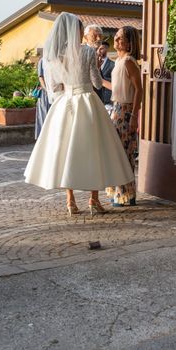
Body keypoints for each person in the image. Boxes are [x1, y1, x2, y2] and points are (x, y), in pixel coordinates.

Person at [24, 13, 134, 215]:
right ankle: (93, 200)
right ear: (77, 32)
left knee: (67, 151)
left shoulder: (56, 55)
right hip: (87, 101)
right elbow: (97, 82)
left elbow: (54, 85)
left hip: (65, 102)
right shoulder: (87, 52)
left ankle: (70, 201)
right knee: (96, 149)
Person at [104, 26, 143, 206]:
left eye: (121, 39)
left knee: (124, 152)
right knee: (117, 152)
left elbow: (139, 90)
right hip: (117, 108)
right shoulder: (118, 61)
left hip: (126, 111)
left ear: (130, 43)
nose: (117, 41)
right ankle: (120, 192)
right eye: (117, 38)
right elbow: (117, 88)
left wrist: (134, 115)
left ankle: (126, 194)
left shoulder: (128, 61)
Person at [34, 57, 51, 139]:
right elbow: (40, 77)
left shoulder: (57, 59)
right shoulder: (42, 60)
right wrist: (46, 89)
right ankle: (42, 138)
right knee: (43, 116)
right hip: (45, 93)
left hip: (54, 91)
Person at [97, 42, 115, 108]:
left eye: (101, 48)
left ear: (107, 49)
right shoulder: (93, 62)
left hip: (107, 100)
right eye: (98, 48)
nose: (99, 50)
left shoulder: (113, 64)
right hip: (96, 97)